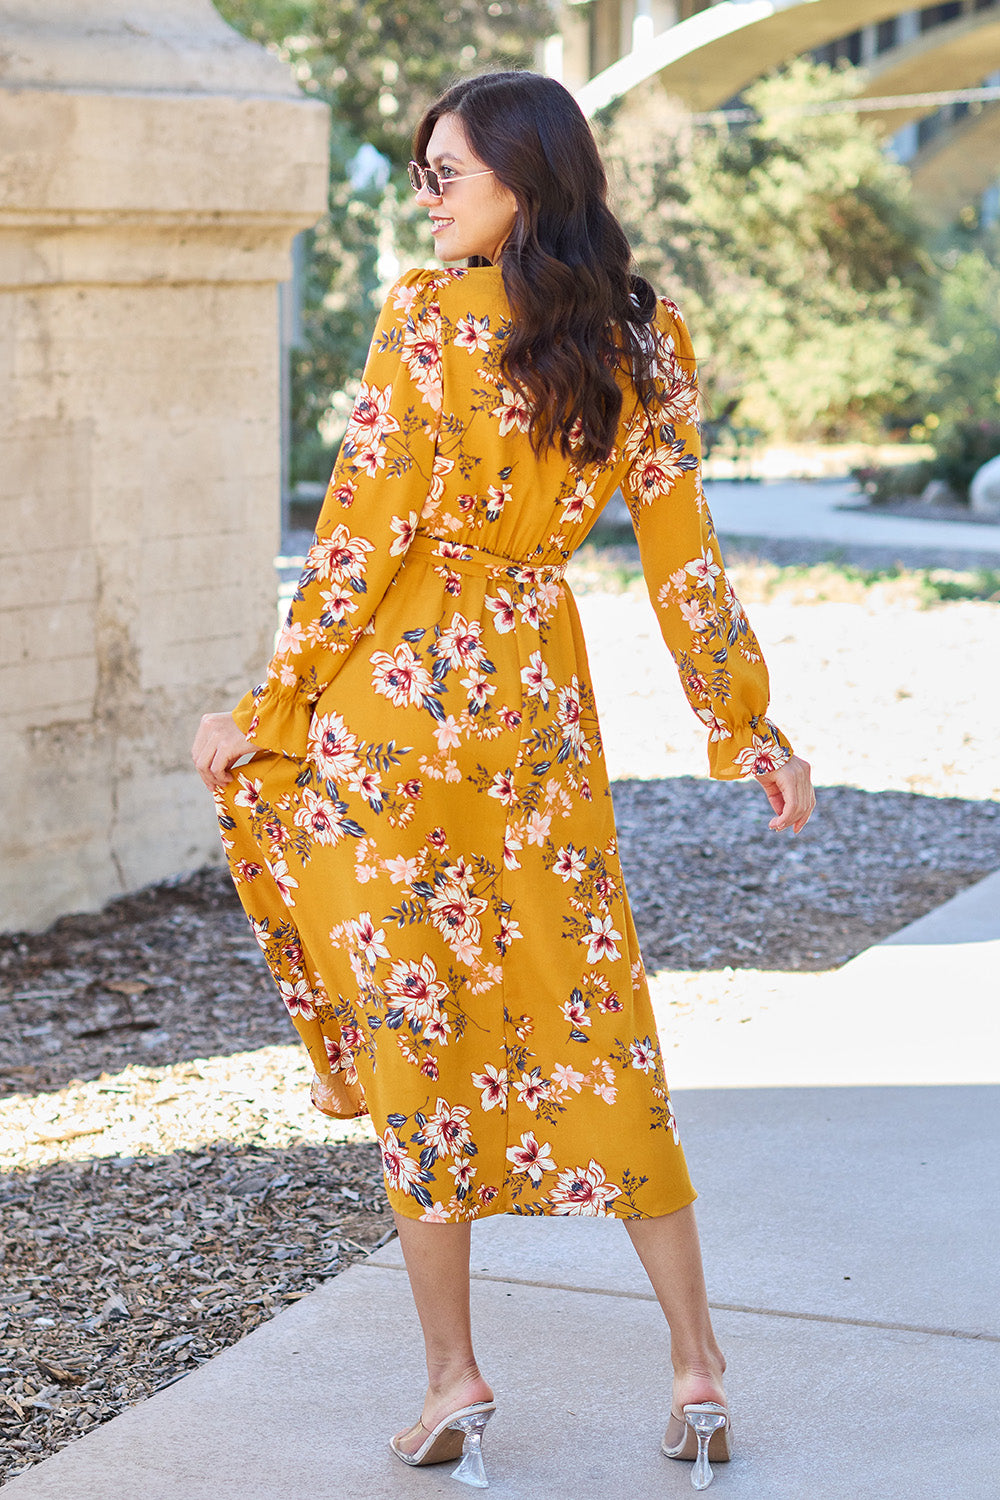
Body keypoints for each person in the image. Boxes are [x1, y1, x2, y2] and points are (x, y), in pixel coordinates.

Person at [192, 70, 815, 1492]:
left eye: (447, 170)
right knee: (591, 1012)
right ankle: (697, 1368)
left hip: (393, 721)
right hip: (535, 709)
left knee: (421, 1041)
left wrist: (271, 705)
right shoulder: (650, 336)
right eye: (422, 170)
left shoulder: (425, 315)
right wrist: (745, 726)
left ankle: (454, 1381)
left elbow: (358, 539)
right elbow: (683, 558)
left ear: (527, 179)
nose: (427, 189)